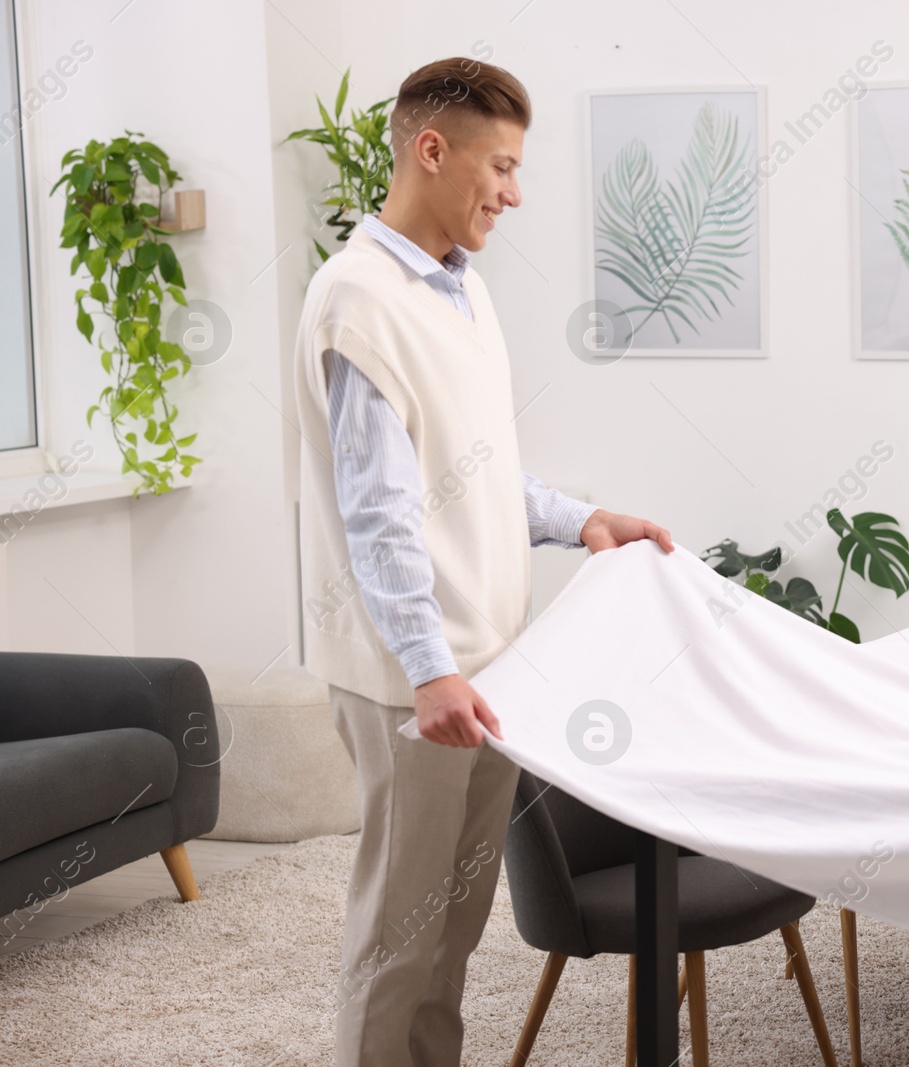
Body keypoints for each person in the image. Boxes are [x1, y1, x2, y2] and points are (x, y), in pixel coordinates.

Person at [292, 58, 672, 1066]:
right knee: (398, 933)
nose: (513, 190)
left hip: (484, 668)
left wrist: (582, 518)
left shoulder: (462, 290)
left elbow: (473, 474)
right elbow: (380, 516)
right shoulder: (357, 303)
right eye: (500, 165)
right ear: (431, 150)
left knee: (452, 930)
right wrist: (429, 667)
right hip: (419, 679)